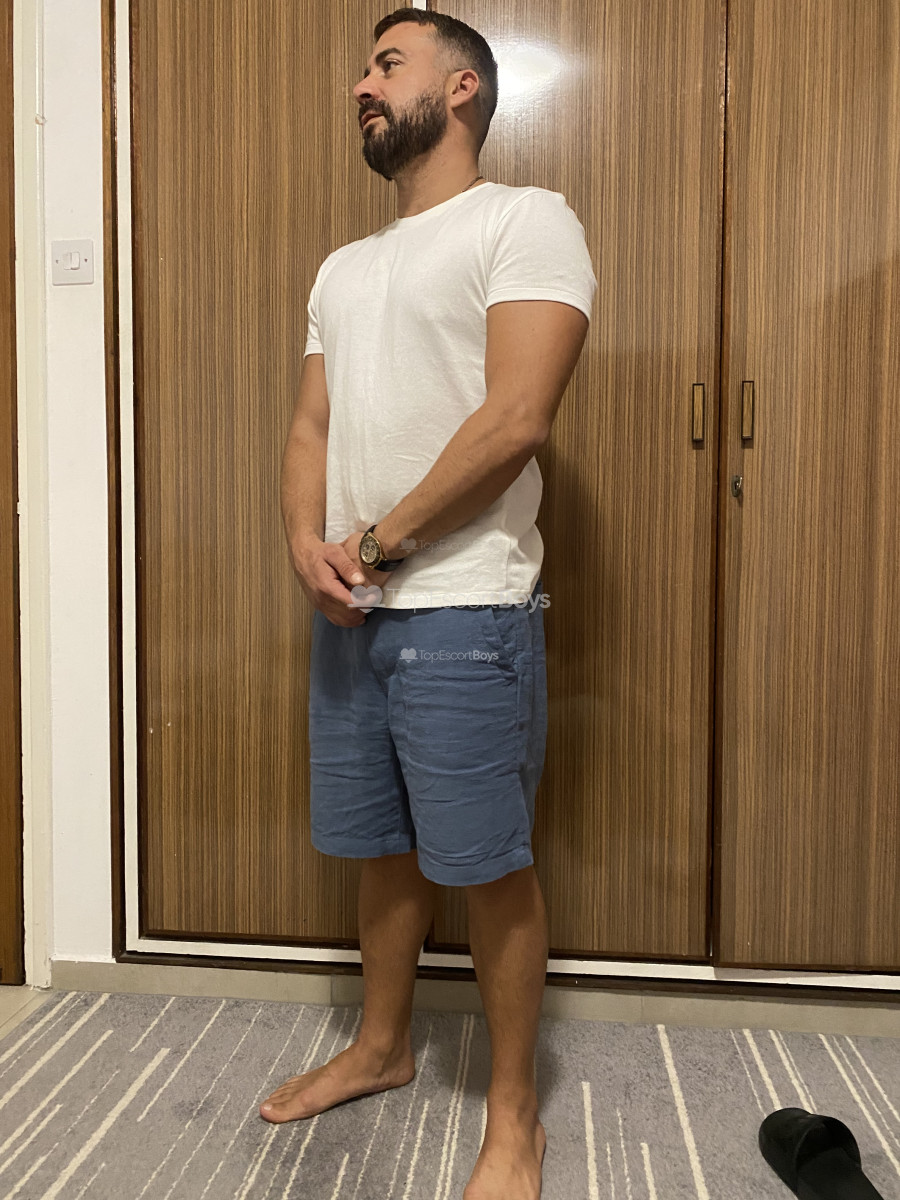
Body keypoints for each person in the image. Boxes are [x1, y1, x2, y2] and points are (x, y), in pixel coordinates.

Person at [261, 8, 596, 1198]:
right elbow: (312, 426)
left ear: (460, 88)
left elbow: (516, 419)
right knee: (382, 852)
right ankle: (382, 1048)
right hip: (354, 609)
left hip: (465, 609)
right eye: (363, 67)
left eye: (386, 64)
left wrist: (379, 543)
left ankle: (516, 1120)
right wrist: (306, 545)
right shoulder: (342, 269)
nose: (362, 84)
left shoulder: (526, 221)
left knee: (487, 865)